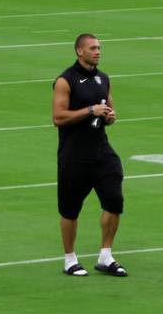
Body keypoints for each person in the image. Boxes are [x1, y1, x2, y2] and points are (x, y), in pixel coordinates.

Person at [52, 33, 127, 277]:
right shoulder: (66, 80)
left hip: (101, 150)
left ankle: (106, 255)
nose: (98, 52)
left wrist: (110, 116)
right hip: (74, 154)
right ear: (79, 51)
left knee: (114, 201)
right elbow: (58, 117)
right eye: (93, 48)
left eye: (99, 48)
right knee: (70, 209)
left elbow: (110, 111)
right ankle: (69, 259)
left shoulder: (103, 78)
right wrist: (89, 110)